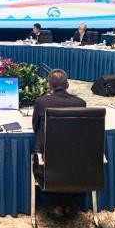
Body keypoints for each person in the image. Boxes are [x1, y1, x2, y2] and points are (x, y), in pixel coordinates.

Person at [32, 69, 86, 219]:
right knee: (68, 167)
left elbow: (35, 126)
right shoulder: (81, 103)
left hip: (48, 163)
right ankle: (67, 204)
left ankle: (58, 204)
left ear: (49, 86)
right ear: (67, 85)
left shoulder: (41, 102)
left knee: (49, 164)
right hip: (77, 164)